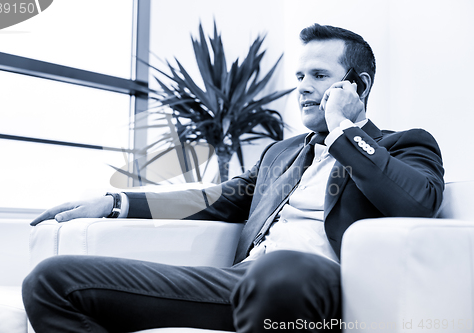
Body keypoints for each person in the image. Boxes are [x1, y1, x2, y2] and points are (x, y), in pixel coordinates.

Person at [22, 24, 444, 332]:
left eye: (319, 76)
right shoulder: (281, 153)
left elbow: (416, 203)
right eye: (300, 77)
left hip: (318, 286)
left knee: (282, 269)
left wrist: (343, 131)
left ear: (359, 85)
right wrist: (116, 203)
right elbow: (213, 199)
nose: (303, 88)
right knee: (52, 281)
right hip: (240, 280)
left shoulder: (405, 144)